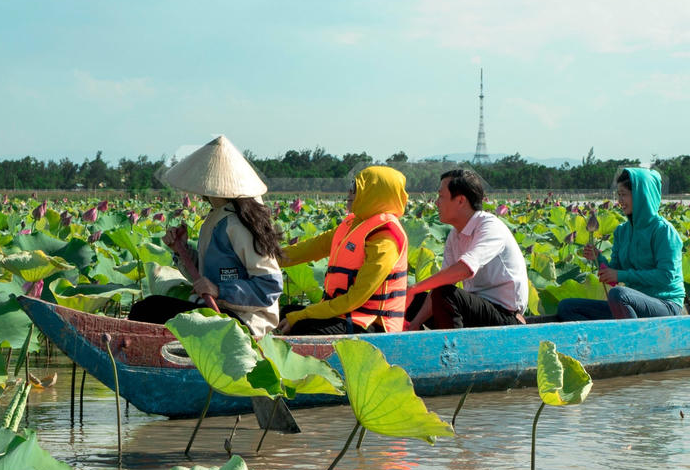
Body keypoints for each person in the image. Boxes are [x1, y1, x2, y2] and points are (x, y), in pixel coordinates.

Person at [126, 135, 283, 337]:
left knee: (149, 309)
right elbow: (203, 277)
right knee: (149, 308)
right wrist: (181, 250)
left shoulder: (240, 225)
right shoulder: (216, 218)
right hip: (217, 311)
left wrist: (220, 290)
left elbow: (269, 287)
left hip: (246, 322)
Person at [276, 165, 409, 335]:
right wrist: (268, 257)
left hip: (370, 324)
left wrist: (302, 315)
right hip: (343, 315)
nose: (349, 192)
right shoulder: (352, 224)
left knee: (301, 327)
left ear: (373, 194)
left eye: (355, 188)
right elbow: (312, 247)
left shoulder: (385, 238)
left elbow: (354, 300)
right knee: (285, 312)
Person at [405, 169, 528, 329]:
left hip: (505, 316)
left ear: (461, 201)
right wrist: (415, 323)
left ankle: (454, 351)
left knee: (444, 294)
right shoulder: (454, 235)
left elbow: (467, 268)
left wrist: (415, 287)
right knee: (415, 300)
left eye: (441, 196)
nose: (436, 203)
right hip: (475, 309)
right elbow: (441, 285)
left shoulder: (490, 226)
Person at [556, 168, 684, 321]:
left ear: (640, 196)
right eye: (619, 195)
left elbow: (666, 276)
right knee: (567, 307)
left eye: (624, 195)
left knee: (618, 295)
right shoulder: (622, 231)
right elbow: (614, 277)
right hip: (630, 305)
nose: (620, 201)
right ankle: (599, 343)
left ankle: (633, 343)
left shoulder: (663, 231)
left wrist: (621, 275)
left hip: (665, 304)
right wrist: (599, 259)